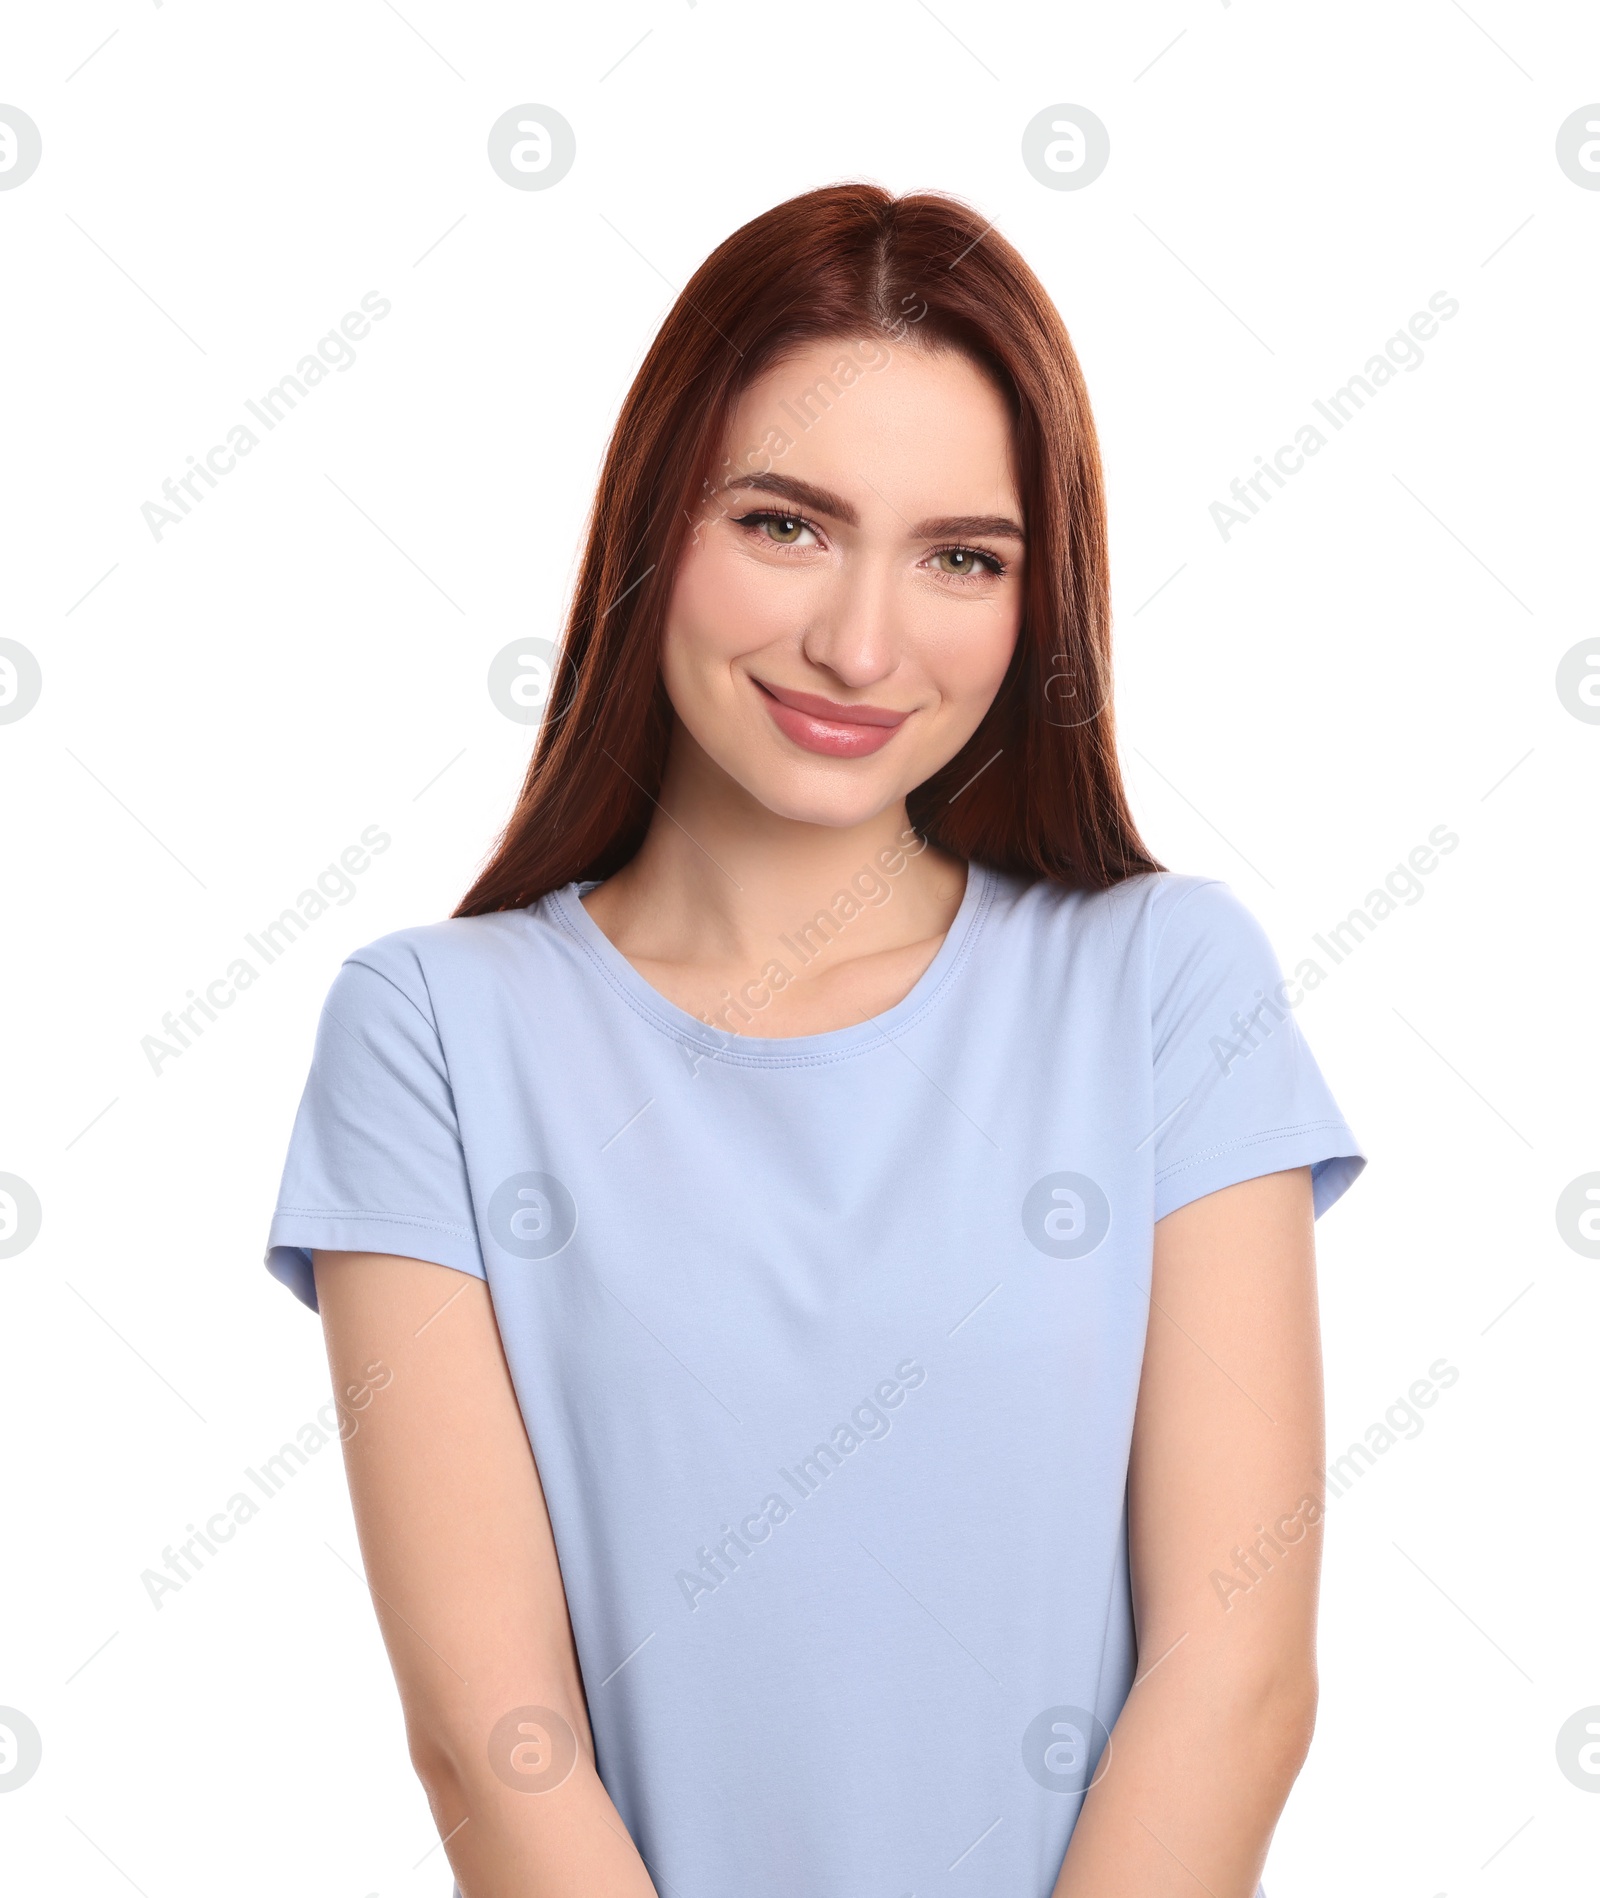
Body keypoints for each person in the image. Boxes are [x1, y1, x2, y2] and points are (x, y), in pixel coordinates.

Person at [265, 183, 1364, 1898]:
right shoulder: (431, 1034)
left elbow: (1237, 1680)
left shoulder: (1164, 985)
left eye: (962, 558)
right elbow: (493, 1735)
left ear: (1035, 594)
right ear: (657, 524)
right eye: (785, 524)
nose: (862, 641)